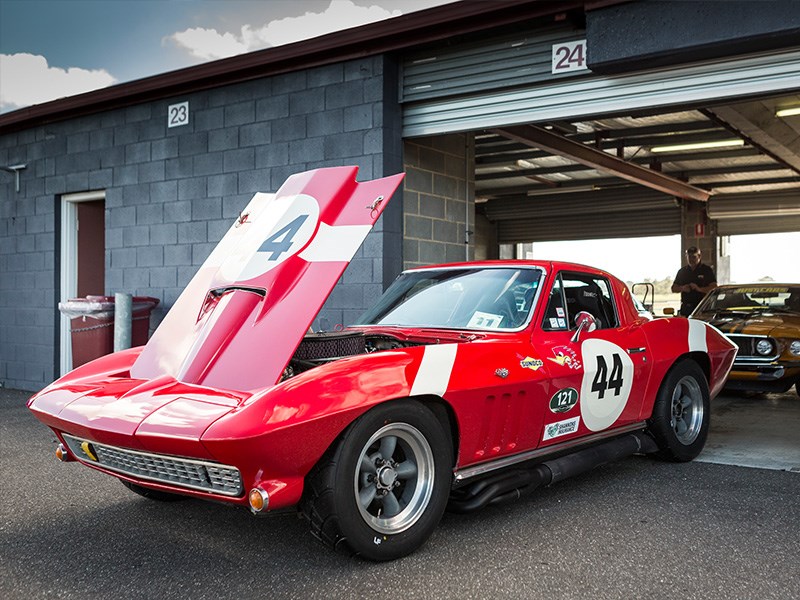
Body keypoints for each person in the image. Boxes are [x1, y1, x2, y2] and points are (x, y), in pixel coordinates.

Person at [671, 246, 717, 316]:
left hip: (702, 307)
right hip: (686, 308)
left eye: (694, 257)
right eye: (689, 257)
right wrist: (682, 288)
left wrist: (699, 289)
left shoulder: (706, 270)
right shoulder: (682, 271)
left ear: (699, 256)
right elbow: (673, 288)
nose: (691, 259)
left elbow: (714, 288)